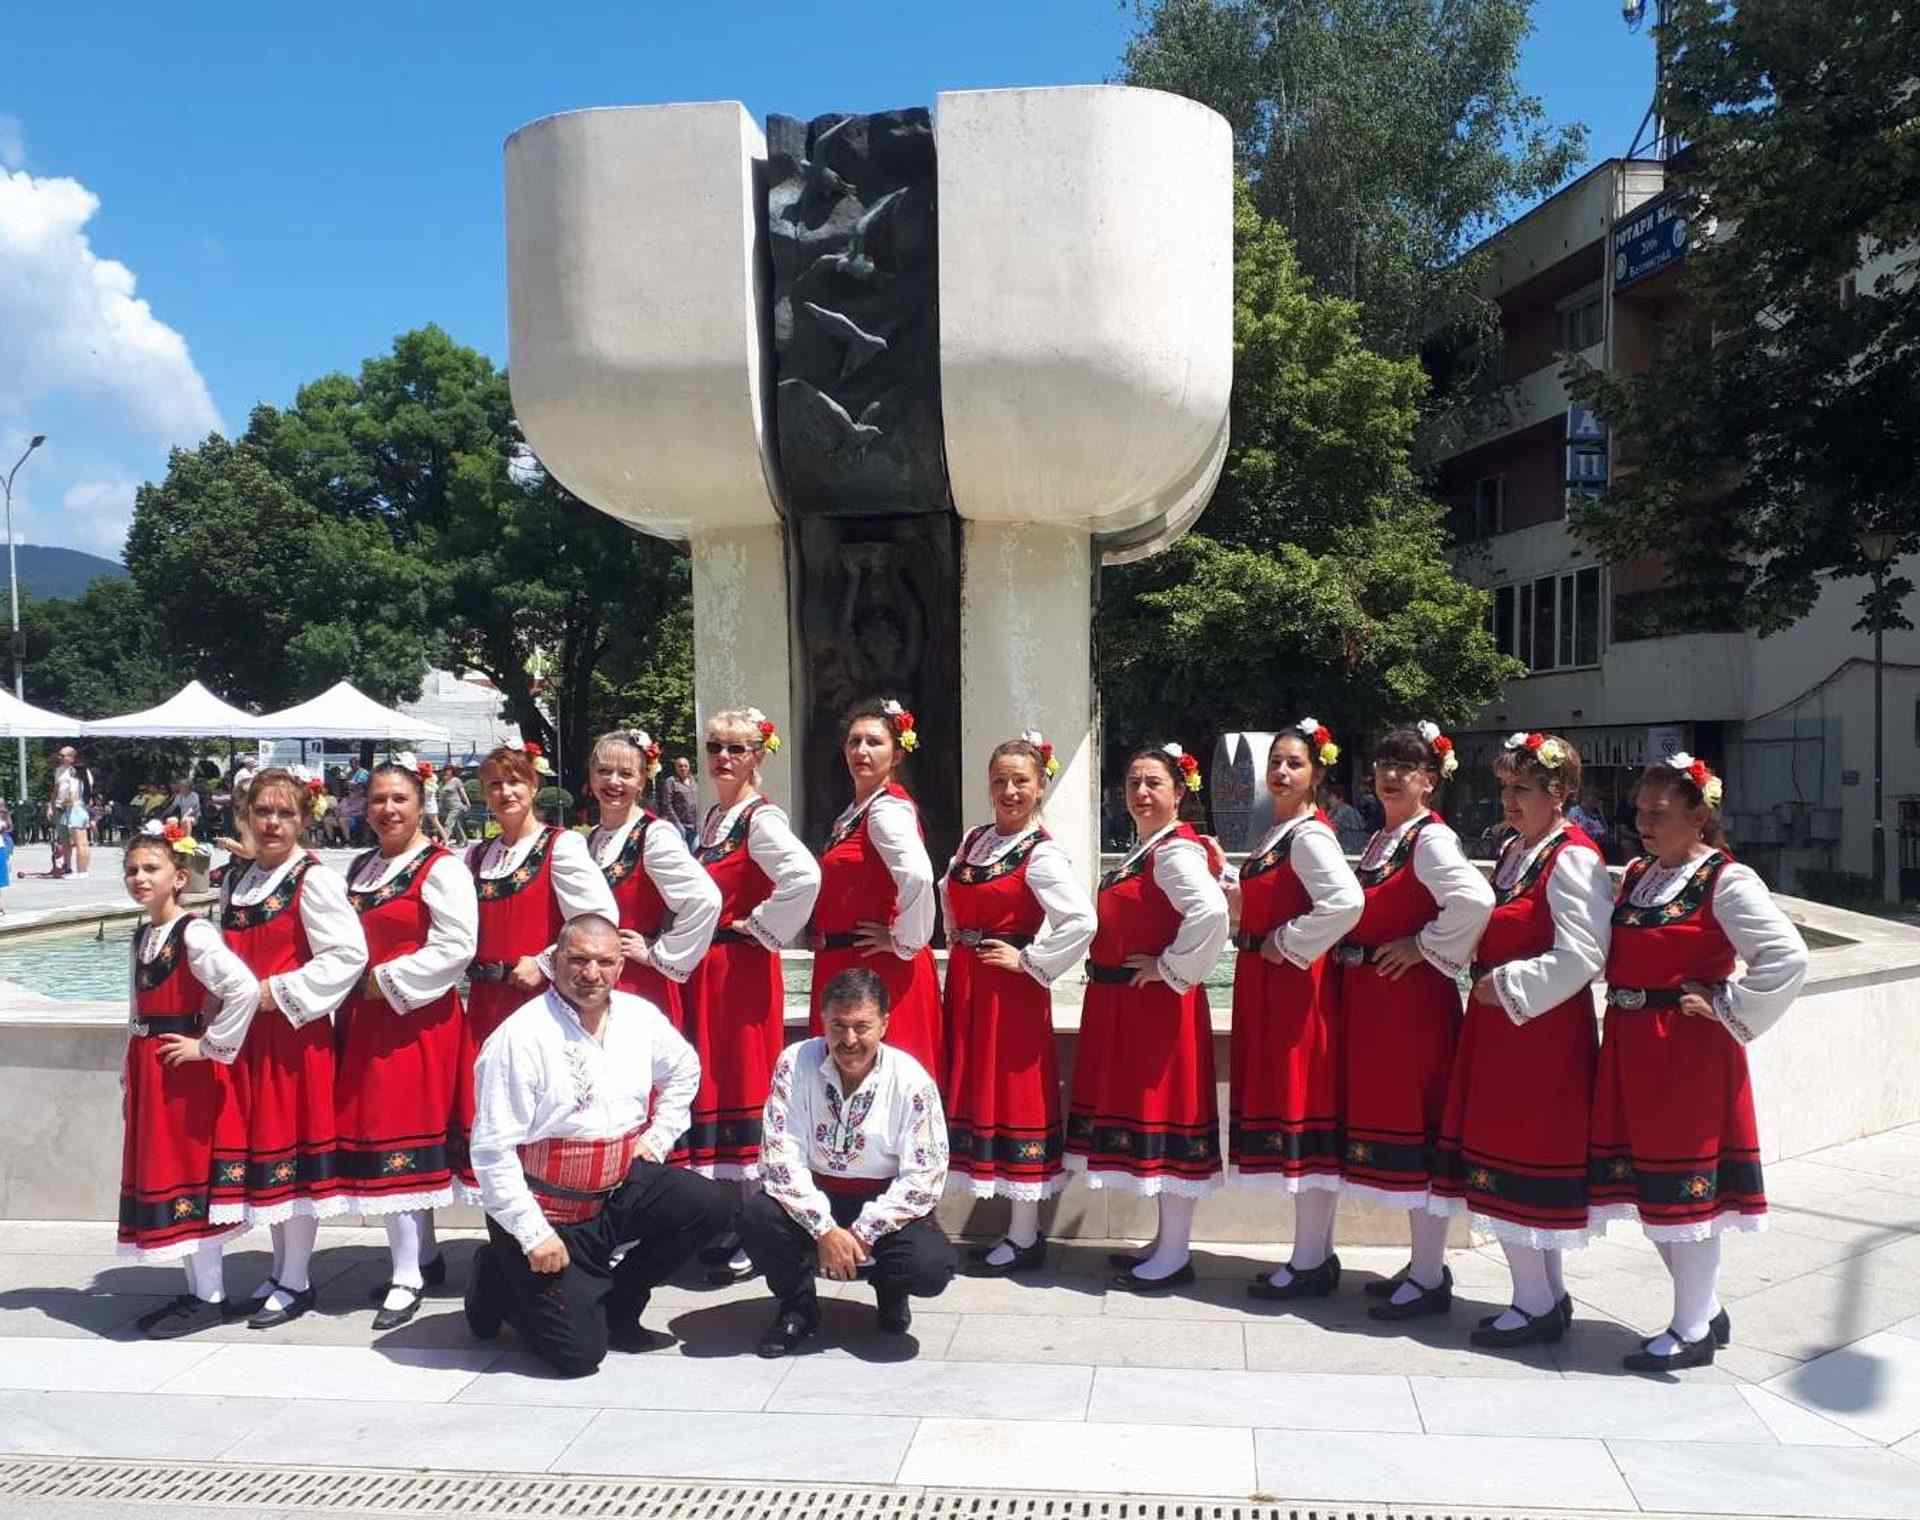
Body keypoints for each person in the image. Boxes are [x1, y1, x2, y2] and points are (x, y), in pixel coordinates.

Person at [1591, 754, 1807, 1373]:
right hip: (1633, 1047)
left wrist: (1727, 1006)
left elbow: (1787, 956)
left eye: (1658, 814)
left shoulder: (1725, 881)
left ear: (1698, 815)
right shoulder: (1639, 874)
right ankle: (1705, 1310)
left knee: (1688, 1193)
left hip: (1686, 1054)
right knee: (1652, 1190)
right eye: (1639, 811)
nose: (1643, 824)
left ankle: (1690, 1330)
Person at [465, 915, 731, 1377]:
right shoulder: (520, 1036)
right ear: (554, 961)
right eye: (578, 960)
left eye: (605, 962)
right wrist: (533, 1235)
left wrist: (658, 1137)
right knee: (578, 1357)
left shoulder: (639, 1017)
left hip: (615, 1193)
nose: (592, 974)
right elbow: (492, 1150)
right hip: (550, 1212)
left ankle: (620, 1301)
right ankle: (498, 1276)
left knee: (709, 1205)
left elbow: (685, 1068)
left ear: (621, 966)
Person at [1430, 732, 1612, 1347]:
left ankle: (1535, 1303)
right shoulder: (1517, 851)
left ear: (1559, 793)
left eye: (1523, 789)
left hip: (1540, 1034)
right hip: (1503, 1028)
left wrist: (1507, 984)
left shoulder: (1573, 858)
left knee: (1526, 1156)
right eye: (1505, 788)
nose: (1509, 800)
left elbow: (1583, 953)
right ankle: (1544, 1297)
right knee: (1504, 1152)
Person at [1339, 723, 1494, 1321]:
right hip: (1384, 1009)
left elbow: (1474, 900)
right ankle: (1422, 1264)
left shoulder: (1430, 839)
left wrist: (1424, 947)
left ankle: (1429, 1276)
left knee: (1419, 1133)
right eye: (1384, 764)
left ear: (1430, 780)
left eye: (1405, 767)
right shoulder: (1389, 838)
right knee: (1404, 1135)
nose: (1391, 775)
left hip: (1412, 1010)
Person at [1067, 743, 1230, 1292]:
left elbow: (1210, 912)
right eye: (1133, 782)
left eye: (1153, 782)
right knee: (1153, 1119)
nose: (1140, 792)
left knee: (1169, 1116)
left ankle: (1176, 1252)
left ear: (1179, 791)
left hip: (1158, 1011)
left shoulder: (1175, 852)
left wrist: (1169, 967)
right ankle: (1166, 1242)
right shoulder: (1151, 849)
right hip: (1134, 1008)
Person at [219, 767, 369, 1330]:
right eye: (263, 812)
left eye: (285, 813)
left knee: (293, 1156)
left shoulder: (314, 879)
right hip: (245, 1038)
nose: (273, 823)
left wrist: (276, 992)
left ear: (304, 820)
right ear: (246, 817)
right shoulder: (239, 880)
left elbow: (347, 955)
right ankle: (280, 1269)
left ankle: (297, 1279)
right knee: (265, 1154)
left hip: (291, 1039)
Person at [941, 731, 1096, 1275]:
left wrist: (1030, 959)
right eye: (1000, 781)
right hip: (970, 982)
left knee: (1015, 1092)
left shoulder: (1041, 853)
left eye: (1020, 781)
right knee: (976, 1086)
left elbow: (1081, 920)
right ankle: (1013, 1231)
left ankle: (1025, 1236)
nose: (1009, 791)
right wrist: (955, 937)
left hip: (1010, 992)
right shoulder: (975, 840)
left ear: (1040, 786)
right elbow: (946, 890)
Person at [741, 967, 956, 1356]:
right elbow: (781, 1156)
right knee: (756, 1216)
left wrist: (861, 1234)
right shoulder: (795, 1062)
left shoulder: (911, 1079)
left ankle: (891, 1291)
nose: (849, 1040)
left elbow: (925, 1176)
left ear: (884, 1024)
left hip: (883, 1200)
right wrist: (824, 1230)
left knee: (930, 1267)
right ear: (823, 1020)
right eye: (838, 1026)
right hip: (813, 1195)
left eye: (862, 1026)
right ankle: (797, 1306)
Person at [336, 761, 480, 1331]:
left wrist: (386, 979)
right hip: (366, 1023)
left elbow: (457, 946)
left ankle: (406, 1277)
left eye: (399, 799)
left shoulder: (442, 868)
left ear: (421, 805)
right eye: (378, 800)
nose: (388, 809)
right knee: (381, 1135)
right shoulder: (361, 867)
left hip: (415, 1023)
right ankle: (424, 1256)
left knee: (400, 1138)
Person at [1230, 721, 1365, 1300]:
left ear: (1317, 773)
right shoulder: (1281, 833)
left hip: (1295, 992)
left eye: (1294, 763)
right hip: (1273, 986)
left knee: (1304, 1109)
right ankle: (1315, 1254)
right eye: (1276, 763)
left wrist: (1287, 942)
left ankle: (1311, 1259)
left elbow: (1346, 902)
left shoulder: (1308, 836)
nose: (1281, 773)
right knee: (1297, 1109)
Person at [686, 706, 820, 1284]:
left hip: (741, 970)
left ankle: (761, 1227)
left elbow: (804, 876)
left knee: (745, 1080)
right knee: (717, 1081)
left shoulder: (760, 820)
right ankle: (733, 1220)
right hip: (711, 970)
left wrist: (761, 926)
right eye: (715, 746)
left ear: (758, 756)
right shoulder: (716, 817)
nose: (723, 757)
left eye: (736, 749)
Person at [116, 830, 261, 1338]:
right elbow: (136, 1008)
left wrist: (210, 1046)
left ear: (178, 878)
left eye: (150, 869)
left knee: (192, 1173)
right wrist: (128, 1071)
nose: (139, 878)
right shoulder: (143, 935)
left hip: (185, 1073)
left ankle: (212, 1296)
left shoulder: (193, 933)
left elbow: (242, 987)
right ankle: (199, 1291)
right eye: (132, 870)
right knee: (170, 1168)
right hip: (152, 1067)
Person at [809, 698, 943, 1082]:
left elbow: (917, 875)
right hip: (852, 963)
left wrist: (903, 940)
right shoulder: (855, 813)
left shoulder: (886, 811)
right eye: (854, 742)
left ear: (897, 754)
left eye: (874, 742)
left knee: (884, 1082)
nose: (861, 751)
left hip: (880, 970)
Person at [464, 743, 617, 1048]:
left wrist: (544, 963)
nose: (505, 792)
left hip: (541, 998)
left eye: (515, 782)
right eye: (495, 784)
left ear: (533, 786)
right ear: (484, 793)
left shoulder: (560, 845)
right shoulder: (477, 855)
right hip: (485, 1001)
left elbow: (598, 920)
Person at [583, 729, 719, 1029]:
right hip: (594, 983)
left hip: (638, 984)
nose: (613, 782)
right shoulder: (593, 837)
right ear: (591, 776)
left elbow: (705, 899)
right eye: (604, 771)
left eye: (626, 773)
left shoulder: (654, 835)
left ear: (642, 780)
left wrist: (657, 954)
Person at [53, 745, 91, 879]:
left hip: (75, 807)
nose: (60, 758)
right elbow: (56, 789)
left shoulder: (78, 771)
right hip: (65, 808)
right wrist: (52, 805)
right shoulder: (59, 770)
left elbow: (77, 792)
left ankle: (82, 871)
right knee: (68, 841)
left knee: (80, 842)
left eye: (63, 755)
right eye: (60, 755)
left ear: (72, 757)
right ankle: (70, 868)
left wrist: (67, 802)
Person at [659, 755, 700, 849]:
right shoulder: (671, 782)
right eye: (680, 766)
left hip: (694, 826)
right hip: (679, 826)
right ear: (676, 768)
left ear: (689, 767)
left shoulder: (694, 780)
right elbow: (667, 804)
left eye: (685, 766)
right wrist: (677, 823)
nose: (683, 768)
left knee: (696, 852)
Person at [1325, 781, 1369, 856]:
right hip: (1349, 844)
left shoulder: (1344, 810)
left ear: (1340, 799)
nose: (1329, 801)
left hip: (1351, 845)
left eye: (1332, 797)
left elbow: (1331, 826)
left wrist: (1329, 814)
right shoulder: (1339, 809)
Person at [440, 766, 471, 846]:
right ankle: (463, 840)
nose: (446, 772)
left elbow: (462, 792)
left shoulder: (456, 780)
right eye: (445, 770)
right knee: (456, 825)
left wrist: (467, 802)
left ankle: (444, 841)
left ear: (452, 771)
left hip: (456, 806)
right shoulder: (444, 781)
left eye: (448, 770)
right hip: (447, 807)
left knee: (448, 823)